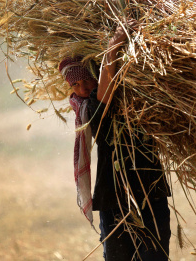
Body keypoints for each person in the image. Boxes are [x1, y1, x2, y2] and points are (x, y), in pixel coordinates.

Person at [59, 21, 171, 261]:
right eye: (75, 85)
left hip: (149, 188)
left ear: (95, 76)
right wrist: (113, 46)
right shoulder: (88, 110)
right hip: (114, 197)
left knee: (154, 256)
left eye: (87, 80)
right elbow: (104, 94)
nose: (83, 88)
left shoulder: (134, 96)